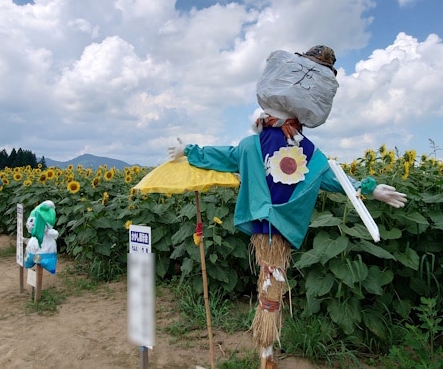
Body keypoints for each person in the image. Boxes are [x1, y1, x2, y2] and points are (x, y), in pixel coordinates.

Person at [167, 45, 407, 369]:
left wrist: (369, 187)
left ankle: (266, 351)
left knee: (272, 282)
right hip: (264, 232)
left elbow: (334, 178)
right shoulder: (252, 145)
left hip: (279, 232)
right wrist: (189, 150)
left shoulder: (305, 151)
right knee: (270, 280)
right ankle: (266, 352)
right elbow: (223, 156)